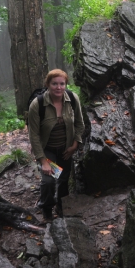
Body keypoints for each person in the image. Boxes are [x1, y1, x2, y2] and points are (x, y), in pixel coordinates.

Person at [28, 69, 85, 222]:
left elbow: (80, 124)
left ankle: (61, 206)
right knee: (49, 181)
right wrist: (43, 160)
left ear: (66, 85)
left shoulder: (73, 99)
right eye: (54, 84)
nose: (58, 87)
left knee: (63, 180)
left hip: (66, 148)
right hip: (47, 150)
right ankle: (46, 209)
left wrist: (74, 145)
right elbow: (33, 134)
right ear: (48, 84)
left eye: (62, 84)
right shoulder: (37, 104)